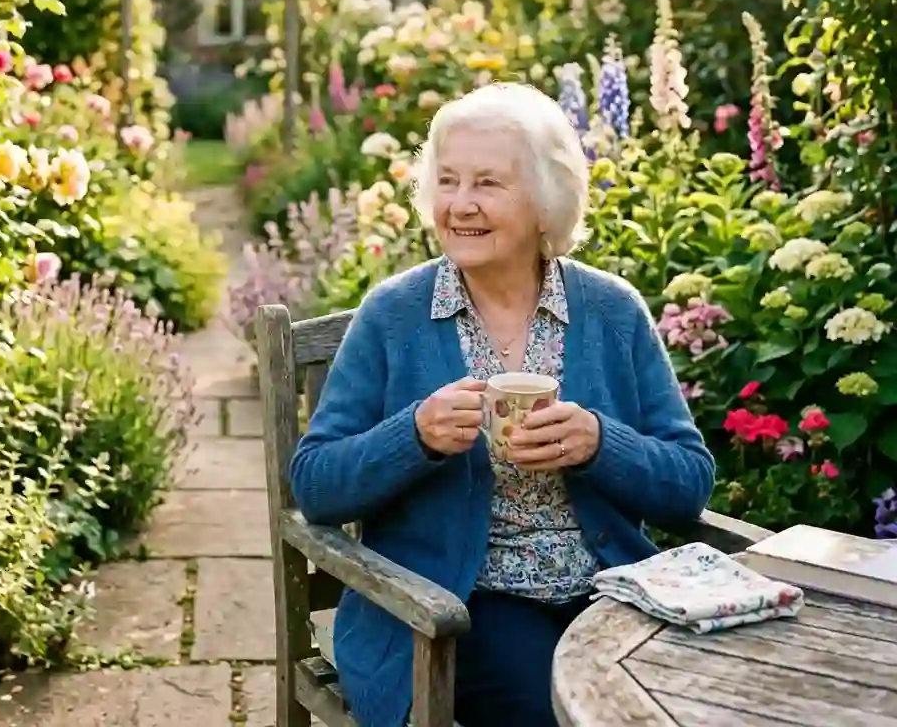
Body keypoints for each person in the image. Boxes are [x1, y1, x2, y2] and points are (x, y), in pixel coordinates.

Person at [288, 82, 715, 727]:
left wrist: (601, 443)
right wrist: (417, 436)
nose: (459, 205)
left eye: (488, 184)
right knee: (553, 707)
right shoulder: (394, 317)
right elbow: (316, 484)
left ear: (546, 202)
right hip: (458, 603)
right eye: (448, 181)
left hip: (611, 593)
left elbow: (689, 483)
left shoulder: (611, 311)